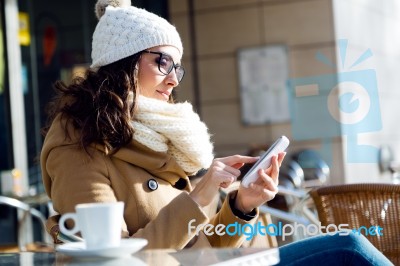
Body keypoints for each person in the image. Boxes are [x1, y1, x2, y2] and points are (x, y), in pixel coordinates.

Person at [40, 1, 393, 265]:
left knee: (350, 246)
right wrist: (198, 196)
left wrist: (241, 206)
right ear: (123, 61)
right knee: (348, 247)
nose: (174, 78)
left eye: (178, 66)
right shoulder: (79, 143)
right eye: (162, 61)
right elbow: (111, 261)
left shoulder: (152, 135)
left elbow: (201, 244)